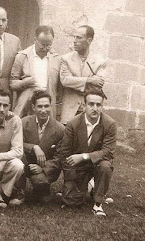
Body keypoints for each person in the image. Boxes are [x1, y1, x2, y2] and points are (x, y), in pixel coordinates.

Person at [57, 89, 116, 217]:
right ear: (84, 106)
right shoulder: (73, 124)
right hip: (79, 168)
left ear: (102, 106)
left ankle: (98, 204)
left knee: (105, 166)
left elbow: (108, 152)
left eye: (98, 105)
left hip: (97, 164)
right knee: (71, 201)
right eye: (91, 104)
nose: (95, 108)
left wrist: (85, 156)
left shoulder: (109, 124)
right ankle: (89, 185)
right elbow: (64, 154)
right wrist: (70, 180)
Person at [19, 90, 65, 203]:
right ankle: (18, 190)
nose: (43, 110)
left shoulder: (60, 129)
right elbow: (16, 144)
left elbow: (60, 156)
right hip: (26, 163)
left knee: (41, 196)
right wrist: (34, 147)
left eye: (46, 106)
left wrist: (43, 168)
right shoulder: (23, 123)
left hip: (45, 169)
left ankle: (42, 189)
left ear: (51, 106)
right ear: (33, 107)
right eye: (40, 106)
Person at [10, 25, 61, 118]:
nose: (45, 48)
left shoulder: (57, 58)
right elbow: (12, 83)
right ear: (35, 40)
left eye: (48, 45)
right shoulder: (22, 56)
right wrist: (24, 83)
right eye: (42, 45)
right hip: (27, 103)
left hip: (47, 103)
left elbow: (59, 87)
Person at [60, 25, 107, 124]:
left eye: (79, 37)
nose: (74, 40)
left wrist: (74, 82)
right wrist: (89, 80)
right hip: (70, 110)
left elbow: (98, 85)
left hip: (89, 111)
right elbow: (65, 80)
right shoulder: (66, 59)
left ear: (89, 41)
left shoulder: (100, 62)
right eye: (74, 37)